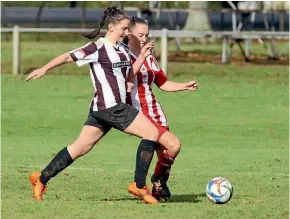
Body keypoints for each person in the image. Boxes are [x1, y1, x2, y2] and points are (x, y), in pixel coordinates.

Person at [26, 7, 159, 204]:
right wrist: (44, 68)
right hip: (111, 107)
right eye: (124, 28)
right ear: (111, 27)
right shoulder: (97, 48)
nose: (126, 32)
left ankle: (41, 178)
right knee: (152, 133)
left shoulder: (122, 49)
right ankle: (139, 186)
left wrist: (142, 57)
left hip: (101, 109)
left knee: (80, 147)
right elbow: (67, 56)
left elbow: (128, 72)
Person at [124, 16, 198, 201]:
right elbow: (124, 78)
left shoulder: (149, 57)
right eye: (140, 34)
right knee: (174, 145)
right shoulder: (123, 55)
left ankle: (158, 187)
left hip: (156, 112)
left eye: (147, 35)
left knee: (165, 154)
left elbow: (162, 83)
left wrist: (184, 86)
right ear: (128, 33)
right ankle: (153, 182)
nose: (144, 38)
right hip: (140, 114)